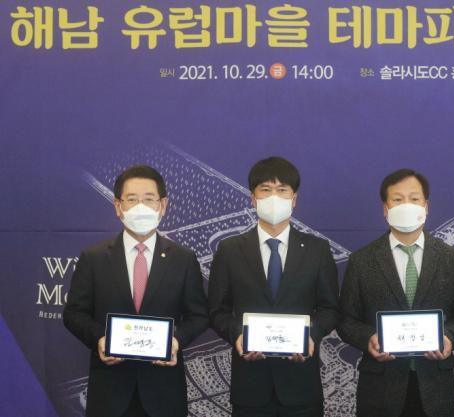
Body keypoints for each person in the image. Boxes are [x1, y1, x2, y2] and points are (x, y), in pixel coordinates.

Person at [63, 165, 209, 417]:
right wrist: (100, 339)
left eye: (149, 199)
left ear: (163, 205)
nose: (141, 207)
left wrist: (175, 341)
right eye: (132, 199)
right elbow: (74, 313)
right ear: (118, 206)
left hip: (164, 391)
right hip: (110, 392)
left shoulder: (183, 259)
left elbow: (199, 316)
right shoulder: (94, 257)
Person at [338, 168, 454, 417]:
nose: (406, 206)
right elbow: (346, 320)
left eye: (414, 199)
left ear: (426, 206)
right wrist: (369, 338)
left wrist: (448, 338)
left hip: (434, 385)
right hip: (380, 387)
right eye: (397, 199)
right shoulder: (362, 261)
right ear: (385, 208)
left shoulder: (451, 258)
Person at [208, 156, 340, 417]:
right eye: (265, 190)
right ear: (253, 198)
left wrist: (311, 336)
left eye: (282, 190)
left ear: (294, 199)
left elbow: (330, 309)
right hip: (250, 387)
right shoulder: (230, 249)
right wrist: (238, 335)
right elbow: (217, 310)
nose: (274, 198)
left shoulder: (317, 249)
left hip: (301, 386)